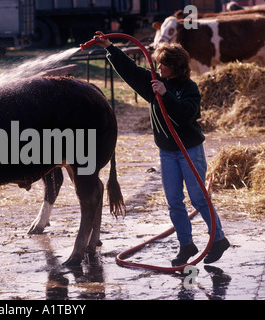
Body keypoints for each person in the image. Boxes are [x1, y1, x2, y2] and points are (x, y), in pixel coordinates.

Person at [94, 33, 230, 266]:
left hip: (189, 150)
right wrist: (110, 48)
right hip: (167, 152)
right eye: (158, 63)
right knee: (174, 201)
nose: (158, 67)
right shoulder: (154, 84)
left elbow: (188, 115)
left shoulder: (189, 88)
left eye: (163, 64)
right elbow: (131, 71)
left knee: (198, 197)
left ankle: (218, 240)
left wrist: (166, 95)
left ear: (175, 67)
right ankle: (186, 244)